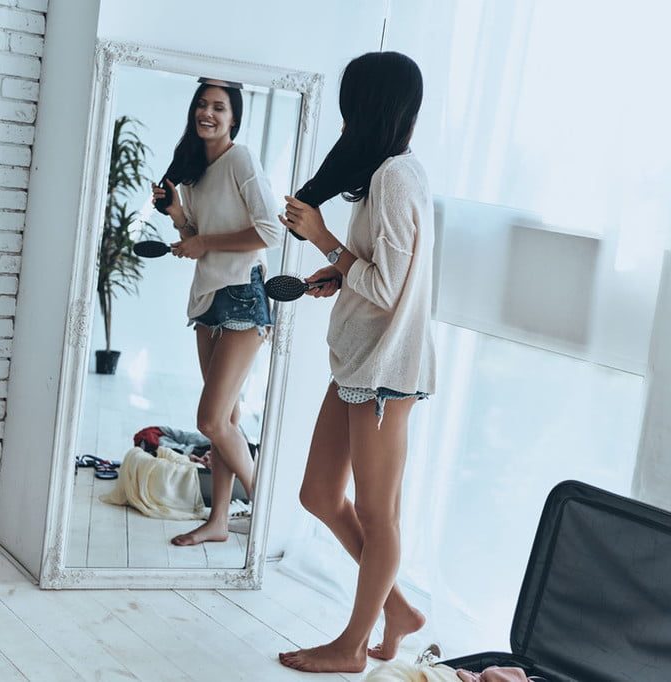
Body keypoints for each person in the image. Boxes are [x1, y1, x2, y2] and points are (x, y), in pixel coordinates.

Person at [277, 51, 436, 673]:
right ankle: (398, 609)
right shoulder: (387, 173)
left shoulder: (397, 176)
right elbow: (376, 270)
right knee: (319, 493)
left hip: (385, 373)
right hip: (358, 363)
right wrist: (338, 272)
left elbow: (392, 284)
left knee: (377, 512)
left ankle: (351, 646)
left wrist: (323, 239)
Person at [151, 79, 283, 546]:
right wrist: (177, 215)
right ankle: (220, 521)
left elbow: (269, 230)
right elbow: (196, 235)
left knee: (210, 420)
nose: (208, 113)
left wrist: (204, 241)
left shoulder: (241, 159)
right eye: (202, 105)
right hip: (208, 297)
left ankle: (267, 506)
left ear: (234, 118)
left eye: (219, 107)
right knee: (226, 420)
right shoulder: (193, 171)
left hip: (244, 294)